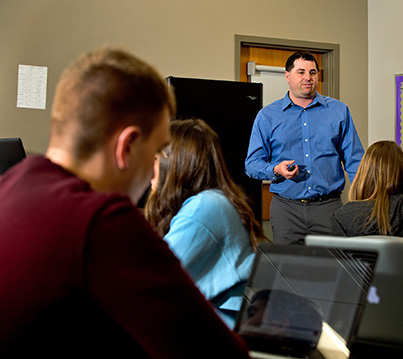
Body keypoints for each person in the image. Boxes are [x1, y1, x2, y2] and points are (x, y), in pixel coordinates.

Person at [0, 48, 250, 358]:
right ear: (127, 146)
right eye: (157, 152)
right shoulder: (103, 221)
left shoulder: (10, 185)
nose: (154, 173)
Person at [145, 118, 266, 328]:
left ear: (175, 163)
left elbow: (151, 279)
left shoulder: (204, 208)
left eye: (155, 159)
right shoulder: (212, 201)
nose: (150, 169)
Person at [245, 51, 364, 245]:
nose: (308, 77)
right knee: (289, 271)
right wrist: (276, 170)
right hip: (286, 211)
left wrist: (362, 204)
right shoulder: (268, 116)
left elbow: (355, 161)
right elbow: (251, 164)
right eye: (301, 72)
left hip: (329, 207)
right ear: (287, 75)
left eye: (313, 72)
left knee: (331, 270)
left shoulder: (339, 111)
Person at [331, 140, 403, 282]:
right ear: (402, 173)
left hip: (364, 301)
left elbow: (342, 272)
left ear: (363, 173)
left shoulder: (342, 217)